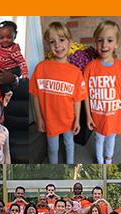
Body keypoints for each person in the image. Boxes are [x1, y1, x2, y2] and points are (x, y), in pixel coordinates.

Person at [31, 22, 87, 164]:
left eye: (61, 40)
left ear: (70, 42)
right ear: (49, 45)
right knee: (52, 148)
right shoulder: (41, 68)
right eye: (52, 42)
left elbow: (78, 99)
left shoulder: (75, 72)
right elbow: (35, 95)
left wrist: (77, 120)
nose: (57, 45)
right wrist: (39, 118)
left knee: (69, 143)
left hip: (68, 118)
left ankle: (70, 167)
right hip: (50, 119)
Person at [84, 20, 121, 164]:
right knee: (99, 138)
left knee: (111, 137)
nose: (104, 45)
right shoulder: (90, 67)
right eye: (100, 40)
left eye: (109, 40)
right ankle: (99, 160)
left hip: (114, 113)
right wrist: (89, 116)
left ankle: (108, 159)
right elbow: (85, 94)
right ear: (95, 42)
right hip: (97, 113)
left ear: (116, 43)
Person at [0, 20, 27, 105]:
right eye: (2, 38)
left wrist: (24, 73)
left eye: (9, 37)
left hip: (14, 68)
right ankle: (7, 91)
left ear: (15, 35)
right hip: (5, 68)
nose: (5, 40)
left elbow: (22, 62)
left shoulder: (14, 50)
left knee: (2, 79)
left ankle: (8, 92)